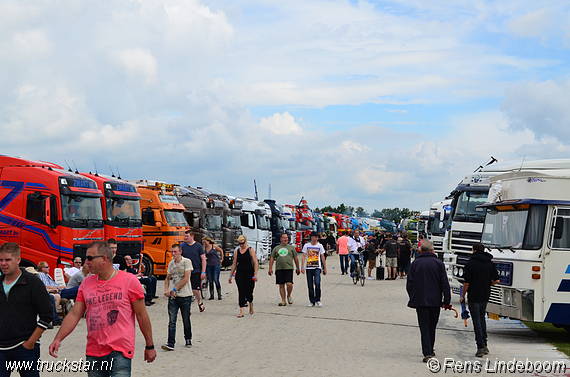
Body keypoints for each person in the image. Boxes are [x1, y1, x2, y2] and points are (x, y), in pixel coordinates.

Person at [49, 241, 157, 376]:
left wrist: (150, 345)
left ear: (104, 259)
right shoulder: (86, 283)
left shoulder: (129, 281)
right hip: (94, 351)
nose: (86, 262)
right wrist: (58, 338)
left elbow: (142, 315)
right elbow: (74, 314)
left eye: (89, 258)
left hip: (120, 350)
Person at [0, 243, 53, 377]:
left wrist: (30, 343)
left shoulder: (32, 283)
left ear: (18, 260)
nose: (3, 264)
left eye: (8, 260)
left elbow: (47, 315)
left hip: (25, 347)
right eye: (1, 260)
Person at [406, 240, 451, 362]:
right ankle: (430, 348)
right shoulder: (438, 263)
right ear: (432, 250)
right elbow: (444, 283)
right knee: (432, 325)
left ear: (420, 250)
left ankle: (427, 352)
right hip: (435, 300)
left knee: (424, 326)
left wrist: (413, 297)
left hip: (420, 300)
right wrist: (446, 301)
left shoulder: (415, 263)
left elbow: (409, 283)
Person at [460, 242, 500, 357]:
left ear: (474, 250)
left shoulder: (470, 263)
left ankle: (480, 346)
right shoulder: (489, 263)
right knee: (482, 318)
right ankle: (485, 344)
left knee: (476, 319)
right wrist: (488, 284)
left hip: (474, 295)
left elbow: (466, 283)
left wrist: (462, 296)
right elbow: (497, 280)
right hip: (485, 294)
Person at [162, 243, 193, 351]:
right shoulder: (171, 264)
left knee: (186, 319)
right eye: (172, 252)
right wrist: (166, 290)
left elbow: (186, 279)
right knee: (172, 320)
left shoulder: (186, 262)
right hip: (173, 297)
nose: (173, 254)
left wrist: (174, 289)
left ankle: (188, 338)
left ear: (180, 252)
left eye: (175, 252)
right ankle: (171, 342)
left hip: (185, 295)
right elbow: (167, 278)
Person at [228, 235, 259, 317]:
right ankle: (241, 311)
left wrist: (255, 274)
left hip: (249, 273)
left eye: (242, 243)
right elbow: (234, 264)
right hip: (240, 274)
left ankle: (250, 303)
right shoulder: (237, 251)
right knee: (241, 291)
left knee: (249, 291)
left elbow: (255, 262)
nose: (241, 245)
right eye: (239, 244)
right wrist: (231, 275)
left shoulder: (250, 250)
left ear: (246, 242)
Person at [268, 233, 300, 306]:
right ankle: (283, 300)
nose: (286, 239)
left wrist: (298, 267)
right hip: (279, 269)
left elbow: (295, 258)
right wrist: (270, 268)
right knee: (281, 285)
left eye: (286, 238)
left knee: (289, 283)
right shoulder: (276, 248)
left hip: (289, 268)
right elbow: (272, 259)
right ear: (281, 239)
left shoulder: (291, 248)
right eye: (284, 238)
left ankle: (289, 295)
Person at [181, 230, 207, 313]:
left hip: (196, 270)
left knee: (195, 290)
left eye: (187, 236)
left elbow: (203, 259)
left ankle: (199, 302)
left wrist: (203, 271)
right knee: (187, 290)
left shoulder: (198, 246)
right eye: (185, 236)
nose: (185, 238)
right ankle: (188, 308)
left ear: (192, 237)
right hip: (186, 271)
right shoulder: (182, 246)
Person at [301, 231, 327, 307]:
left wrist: (324, 268)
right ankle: (312, 301)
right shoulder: (306, 245)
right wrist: (302, 266)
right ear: (311, 237)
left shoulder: (320, 246)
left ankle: (318, 299)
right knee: (310, 285)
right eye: (315, 237)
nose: (316, 238)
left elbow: (322, 257)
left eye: (317, 237)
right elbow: (303, 256)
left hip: (317, 267)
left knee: (317, 283)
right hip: (309, 267)